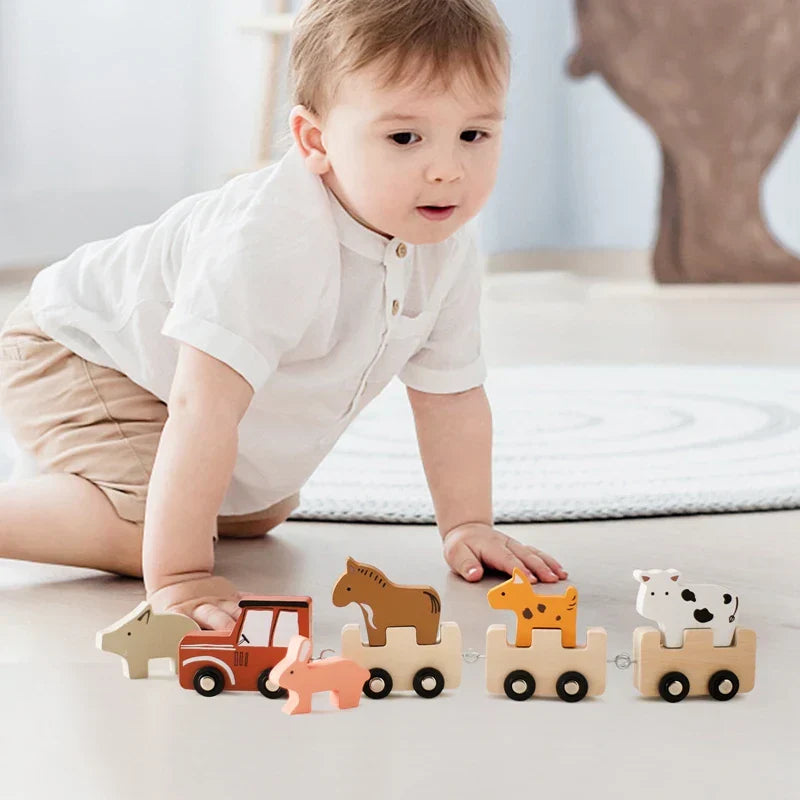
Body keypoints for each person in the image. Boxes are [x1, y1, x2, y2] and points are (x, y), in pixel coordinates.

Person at [0, 0, 566, 630]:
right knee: (149, 537)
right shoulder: (269, 242)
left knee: (256, 508)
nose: (447, 170)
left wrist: (468, 524)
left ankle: (95, 488)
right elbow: (202, 406)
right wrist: (181, 576)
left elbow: (452, 395)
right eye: (404, 138)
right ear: (315, 141)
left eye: (474, 135)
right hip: (79, 353)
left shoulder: (446, 239)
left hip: (167, 380)